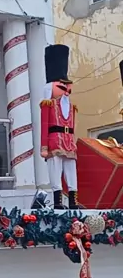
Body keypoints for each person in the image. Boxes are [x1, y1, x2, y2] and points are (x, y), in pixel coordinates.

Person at [40, 44, 79, 209]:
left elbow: (73, 126)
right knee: (55, 170)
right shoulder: (48, 105)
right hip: (54, 141)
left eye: (67, 87)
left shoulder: (71, 107)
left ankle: (73, 200)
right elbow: (44, 125)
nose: (66, 91)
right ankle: (58, 201)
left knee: (71, 170)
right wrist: (44, 147)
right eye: (62, 87)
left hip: (69, 142)